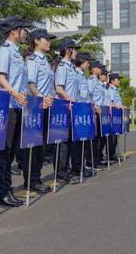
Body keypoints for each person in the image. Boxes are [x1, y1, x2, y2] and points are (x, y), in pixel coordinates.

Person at [0, 16, 32, 207]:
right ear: (14, 31)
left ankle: (7, 189)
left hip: (17, 106)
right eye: (23, 29)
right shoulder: (5, 51)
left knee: (11, 152)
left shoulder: (16, 52)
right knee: (3, 153)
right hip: (7, 106)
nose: (25, 33)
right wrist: (14, 93)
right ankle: (0, 192)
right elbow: (0, 77)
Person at [24, 28, 57, 194]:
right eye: (46, 39)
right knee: (33, 146)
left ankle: (36, 178)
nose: (49, 42)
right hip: (36, 106)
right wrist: (41, 97)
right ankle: (31, 179)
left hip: (46, 105)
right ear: (36, 41)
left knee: (41, 145)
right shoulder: (33, 60)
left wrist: (50, 97)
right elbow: (30, 84)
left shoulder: (45, 60)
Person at [54, 39, 81, 184]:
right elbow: (59, 88)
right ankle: (60, 171)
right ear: (67, 50)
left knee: (70, 141)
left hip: (73, 109)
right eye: (74, 49)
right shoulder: (62, 67)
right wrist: (69, 100)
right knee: (63, 142)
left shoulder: (71, 67)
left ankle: (66, 168)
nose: (76, 52)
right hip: (65, 108)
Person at [87, 60, 107, 170]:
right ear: (93, 68)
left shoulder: (96, 81)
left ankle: (94, 161)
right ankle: (90, 163)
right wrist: (95, 106)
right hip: (94, 112)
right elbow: (88, 95)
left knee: (97, 139)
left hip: (99, 112)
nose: (100, 70)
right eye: (99, 67)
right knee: (93, 139)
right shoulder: (91, 80)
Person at [107, 73, 124, 160]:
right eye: (118, 79)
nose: (119, 81)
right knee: (112, 137)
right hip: (112, 115)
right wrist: (119, 106)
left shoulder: (116, 90)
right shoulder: (111, 90)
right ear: (112, 80)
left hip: (116, 116)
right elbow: (110, 102)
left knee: (115, 136)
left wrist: (122, 106)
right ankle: (110, 154)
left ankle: (112, 154)